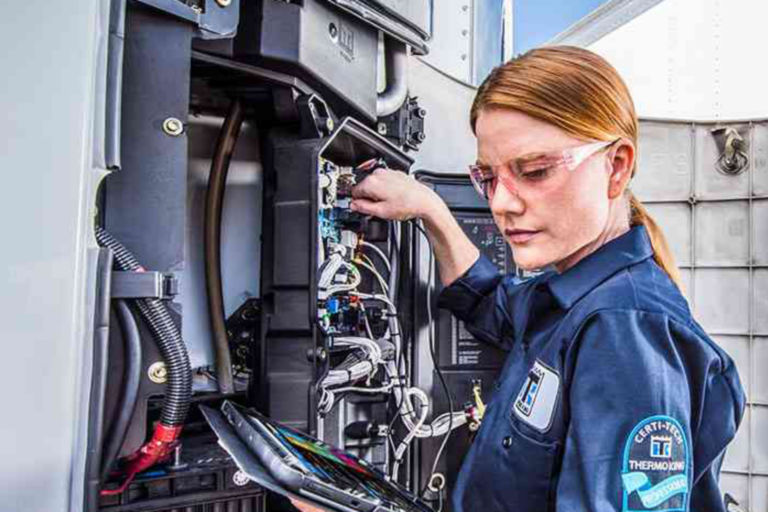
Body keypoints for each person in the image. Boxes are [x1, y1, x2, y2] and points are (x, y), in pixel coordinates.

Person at [293, 46, 745, 512]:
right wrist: (430, 209)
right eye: (489, 178)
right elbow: (487, 301)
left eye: (534, 171)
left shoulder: (623, 329)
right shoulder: (573, 299)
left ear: (616, 167)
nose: (500, 204)